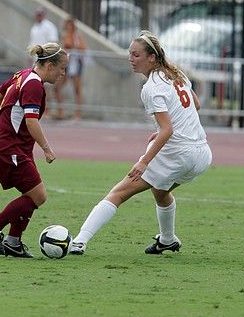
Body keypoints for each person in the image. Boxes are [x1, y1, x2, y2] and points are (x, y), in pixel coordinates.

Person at [70, 30, 212, 256]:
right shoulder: (176, 74)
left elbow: (167, 129)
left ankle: (78, 241)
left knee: (118, 193)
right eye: (130, 54)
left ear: (152, 58)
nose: (131, 59)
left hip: (178, 154)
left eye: (136, 55)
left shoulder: (151, 88)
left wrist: (145, 162)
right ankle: (167, 240)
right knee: (160, 191)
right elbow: (195, 105)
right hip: (202, 154)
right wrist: (164, 131)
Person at [0, 42, 68, 258]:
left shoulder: (22, 75)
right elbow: (31, 121)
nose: (63, 73)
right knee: (39, 195)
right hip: (10, 148)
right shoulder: (34, 84)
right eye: (62, 68)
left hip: (11, 147)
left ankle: (13, 242)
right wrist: (46, 148)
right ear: (49, 66)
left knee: (30, 194)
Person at [55, 16, 87, 120]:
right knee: (57, 86)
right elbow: (63, 47)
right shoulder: (65, 36)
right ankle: (61, 111)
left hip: (76, 63)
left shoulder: (78, 36)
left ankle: (78, 114)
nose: (68, 27)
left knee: (77, 89)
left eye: (70, 25)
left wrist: (73, 47)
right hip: (67, 63)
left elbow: (82, 48)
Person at [29, 8, 59, 118]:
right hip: (36, 60)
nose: (38, 16)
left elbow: (53, 42)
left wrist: (50, 58)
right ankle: (42, 109)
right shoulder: (34, 27)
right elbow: (32, 44)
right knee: (39, 85)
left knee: (47, 87)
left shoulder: (49, 26)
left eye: (40, 14)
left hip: (46, 59)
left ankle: (48, 110)